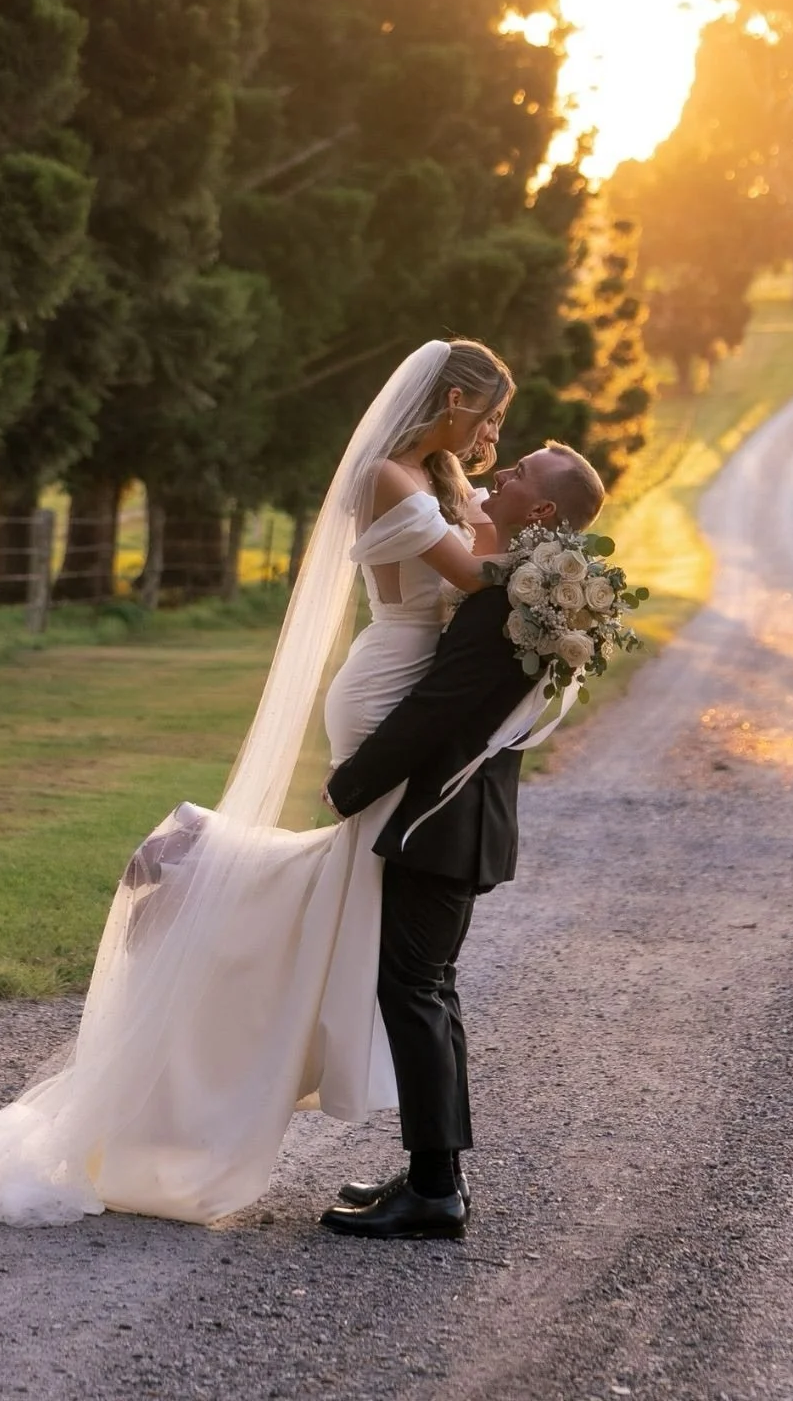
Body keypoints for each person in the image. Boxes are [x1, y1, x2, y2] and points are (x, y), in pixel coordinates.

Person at [0, 338, 519, 1227]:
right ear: (451, 400)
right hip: (384, 691)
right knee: (371, 916)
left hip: (413, 684)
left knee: (356, 906)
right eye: (488, 415)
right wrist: (566, 584)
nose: (492, 433)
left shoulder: (438, 477)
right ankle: (201, 886)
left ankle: (426, 1168)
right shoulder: (388, 478)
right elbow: (478, 577)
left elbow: (483, 551)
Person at [319, 443, 606, 1240]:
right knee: (426, 990)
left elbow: (436, 710)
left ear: (542, 513)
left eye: (518, 476)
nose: (501, 476)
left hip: (447, 824)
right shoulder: (532, 594)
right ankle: (430, 1176)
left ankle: (437, 1191)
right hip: (464, 824)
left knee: (415, 991)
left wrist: (348, 786)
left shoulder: (508, 603)